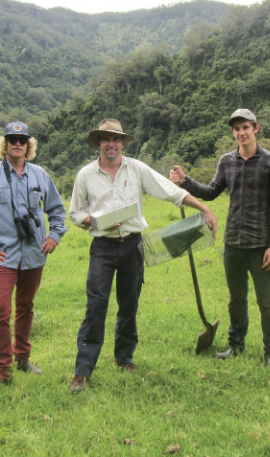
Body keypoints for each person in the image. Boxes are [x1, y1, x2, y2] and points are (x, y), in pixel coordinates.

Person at [67, 118, 218, 393]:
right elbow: (75, 213)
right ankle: (82, 371)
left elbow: (171, 191)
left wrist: (204, 209)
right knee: (96, 305)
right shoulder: (85, 175)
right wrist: (94, 221)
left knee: (129, 302)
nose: (111, 144)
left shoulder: (136, 169)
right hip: (102, 247)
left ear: (123, 143)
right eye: (105, 139)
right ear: (99, 143)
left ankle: (124, 358)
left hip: (132, 245)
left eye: (116, 139)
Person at [170, 108, 270, 370]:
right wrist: (185, 181)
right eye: (236, 129)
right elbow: (211, 192)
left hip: (260, 246)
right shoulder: (227, 161)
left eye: (245, 127)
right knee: (236, 299)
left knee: (266, 301)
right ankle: (236, 345)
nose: (241, 133)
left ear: (255, 129)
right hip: (233, 243)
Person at [0, 121, 67, 393]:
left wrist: (54, 236)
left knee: (25, 306)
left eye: (22, 140)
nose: (17, 144)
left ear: (29, 145)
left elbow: (57, 209)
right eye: (12, 139)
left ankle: (22, 359)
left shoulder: (40, 175)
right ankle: (3, 371)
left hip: (34, 253)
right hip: (3, 255)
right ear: (4, 144)